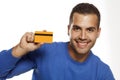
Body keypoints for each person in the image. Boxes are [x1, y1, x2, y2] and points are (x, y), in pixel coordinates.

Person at [0, 3, 115, 80]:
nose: (83, 36)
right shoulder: (45, 51)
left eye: (90, 30)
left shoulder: (102, 73)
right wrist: (20, 49)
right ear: (68, 29)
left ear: (98, 33)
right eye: (77, 28)